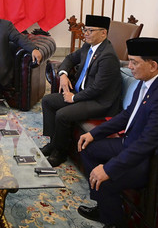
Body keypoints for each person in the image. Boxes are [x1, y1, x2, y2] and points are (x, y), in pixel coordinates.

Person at [76, 37, 158, 228]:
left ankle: (116, 227)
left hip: (153, 160)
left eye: (134, 62)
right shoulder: (148, 80)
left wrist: (109, 168)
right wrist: (94, 133)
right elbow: (128, 114)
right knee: (87, 147)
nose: (130, 67)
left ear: (153, 65)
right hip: (132, 142)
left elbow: (149, 143)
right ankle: (103, 207)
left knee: (107, 179)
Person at [40, 15, 121, 167]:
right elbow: (70, 58)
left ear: (103, 33)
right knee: (48, 101)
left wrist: (74, 99)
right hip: (82, 94)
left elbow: (98, 88)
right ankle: (53, 142)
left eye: (90, 30)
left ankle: (60, 153)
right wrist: (63, 74)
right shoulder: (88, 46)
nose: (86, 33)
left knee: (63, 114)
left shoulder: (108, 56)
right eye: (85, 30)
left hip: (99, 102)